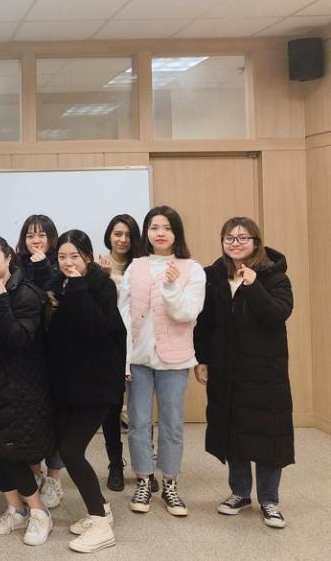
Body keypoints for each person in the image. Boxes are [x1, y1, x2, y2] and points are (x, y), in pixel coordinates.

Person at [194, 217, 294, 529]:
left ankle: (269, 500)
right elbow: (205, 321)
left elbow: (278, 314)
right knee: (233, 429)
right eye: (229, 238)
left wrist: (253, 285)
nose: (235, 243)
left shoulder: (274, 275)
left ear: (256, 241)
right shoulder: (215, 275)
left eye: (242, 238)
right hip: (227, 369)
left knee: (267, 433)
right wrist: (202, 359)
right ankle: (239, 493)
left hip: (264, 370)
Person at [121, 205, 205, 517]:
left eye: (167, 228)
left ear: (176, 233)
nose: (160, 233)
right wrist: (124, 360)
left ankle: (170, 483)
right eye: (154, 227)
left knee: (171, 423)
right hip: (139, 359)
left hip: (175, 360)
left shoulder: (192, 269)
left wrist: (170, 287)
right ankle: (144, 480)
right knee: (138, 422)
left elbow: (187, 313)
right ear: (146, 233)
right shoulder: (136, 267)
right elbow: (123, 314)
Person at [0, 236, 54, 546]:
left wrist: (1, 300)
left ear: (8, 258)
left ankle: (39, 511)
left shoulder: (26, 293)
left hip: (17, 386)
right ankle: (15, 509)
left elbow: (18, 339)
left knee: (10, 451)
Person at [48, 230, 126, 553]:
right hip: (70, 386)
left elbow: (94, 329)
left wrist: (79, 285)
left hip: (97, 386)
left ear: (88, 258)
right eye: (62, 256)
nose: (68, 262)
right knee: (67, 447)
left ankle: (101, 523)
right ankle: (101, 510)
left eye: (75, 257)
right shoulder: (58, 285)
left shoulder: (101, 286)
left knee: (71, 451)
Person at [15, 214, 64, 507]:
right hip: (27, 352)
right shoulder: (15, 265)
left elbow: (55, 295)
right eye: (30, 235)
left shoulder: (61, 263)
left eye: (41, 235)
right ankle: (35, 473)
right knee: (31, 415)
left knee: (56, 416)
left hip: (56, 353)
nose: (35, 240)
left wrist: (43, 265)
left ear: (51, 238)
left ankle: (54, 478)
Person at [95, 214, 143, 493]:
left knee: (139, 411)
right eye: (117, 234)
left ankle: (143, 467)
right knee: (111, 409)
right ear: (109, 236)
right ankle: (115, 464)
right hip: (109, 347)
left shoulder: (143, 266)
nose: (122, 239)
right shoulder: (98, 266)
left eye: (127, 234)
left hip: (139, 345)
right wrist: (102, 278)